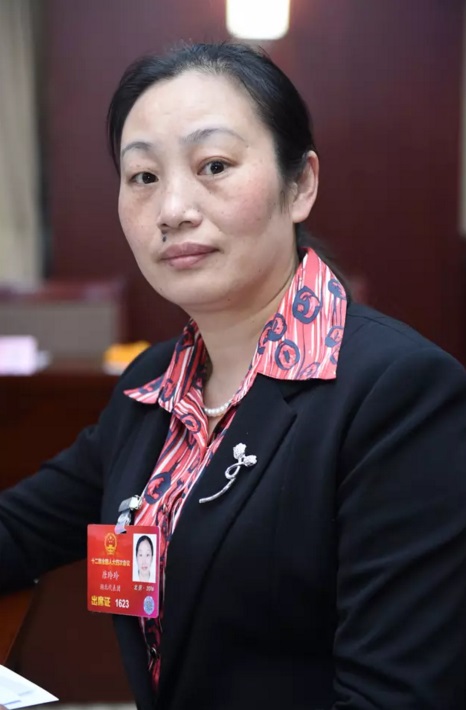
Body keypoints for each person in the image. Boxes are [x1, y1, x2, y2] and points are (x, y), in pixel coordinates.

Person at [1, 41, 466, 710]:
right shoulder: (155, 383)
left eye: (214, 165)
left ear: (300, 185)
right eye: (143, 176)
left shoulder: (400, 394)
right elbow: (19, 529)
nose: (172, 208)